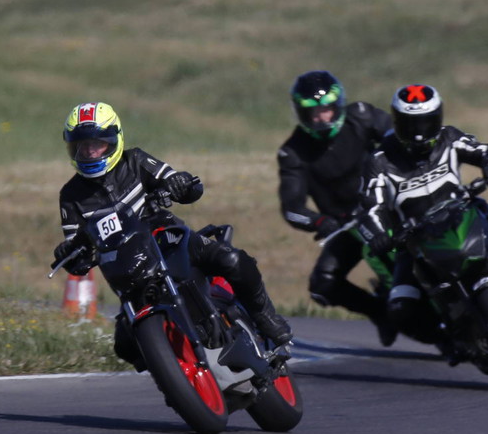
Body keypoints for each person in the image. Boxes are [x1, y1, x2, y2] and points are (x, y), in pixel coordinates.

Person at [53, 102, 293, 367]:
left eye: (96, 143)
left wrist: (180, 183)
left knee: (232, 260)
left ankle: (265, 318)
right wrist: (68, 253)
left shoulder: (135, 160)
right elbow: (77, 257)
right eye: (82, 145)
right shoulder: (70, 196)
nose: (89, 151)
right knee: (125, 346)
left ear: (113, 140)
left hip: (167, 239)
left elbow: (187, 188)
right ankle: (176, 371)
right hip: (126, 269)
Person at [354, 83, 488, 353]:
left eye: (426, 122)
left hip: (467, 212)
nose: (419, 133)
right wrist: (378, 236)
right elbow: (369, 209)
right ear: (397, 122)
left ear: (438, 118)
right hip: (414, 240)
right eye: (410, 124)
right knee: (400, 308)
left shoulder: (450, 137)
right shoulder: (379, 161)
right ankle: (449, 339)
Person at [277, 70, 399, 345]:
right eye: (313, 112)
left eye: (326, 109)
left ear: (338, 105)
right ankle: (380, 312)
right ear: (301, 113)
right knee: (322, 285)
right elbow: (292, 207)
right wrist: (320, 222)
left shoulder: (362, 115)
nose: (321, 118)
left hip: (389, 205)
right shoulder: (293, 151)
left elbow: (399, 135)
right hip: (347, 225)